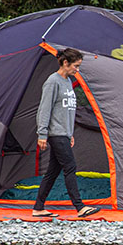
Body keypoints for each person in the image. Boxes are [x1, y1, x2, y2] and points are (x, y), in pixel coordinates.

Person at [32, 48, 101, 219]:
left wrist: (70, 133)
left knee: (52, 172)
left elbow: (67, 111)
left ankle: (38, 207)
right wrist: (42, 134)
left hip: (64, 133)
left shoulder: (68, 82)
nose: (77, 69)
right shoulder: (52, 82)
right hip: (55, 133)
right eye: (75, 66)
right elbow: (44, 109)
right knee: (70, 167)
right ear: (65, 63)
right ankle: (79, 207)